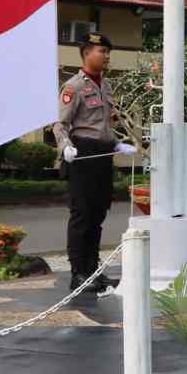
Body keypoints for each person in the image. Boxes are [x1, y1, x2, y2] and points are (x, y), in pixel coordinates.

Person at [54, 32, 121, 298]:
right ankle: (78, 273)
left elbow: (109, 121)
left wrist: (116, 141)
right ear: (86, 53)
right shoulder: (74, 87)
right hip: (82, 153)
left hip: (103, 154)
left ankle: (93, 270)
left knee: (98, 214)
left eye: (107, 51)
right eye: (101, 51)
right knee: (82, 214)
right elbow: (60, 123)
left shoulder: (105, 85)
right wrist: (65, 146)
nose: (106, 56)